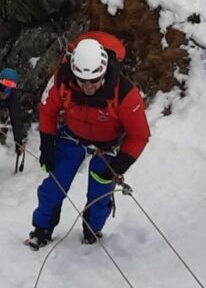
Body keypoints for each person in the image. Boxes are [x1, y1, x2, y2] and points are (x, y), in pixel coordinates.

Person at [26, 36, 151, 250]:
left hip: (108, 145)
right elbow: (48, 110)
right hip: (73, 136)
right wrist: (46, 146)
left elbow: (139, 135)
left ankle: (92, 232)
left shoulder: (125, 93)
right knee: (54, 186)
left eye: (94, 80)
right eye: (82, 81)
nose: (88, 86)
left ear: (103, 72)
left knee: (99, 194)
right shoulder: (62, 79)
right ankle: (41, 230)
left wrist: (119, 165)